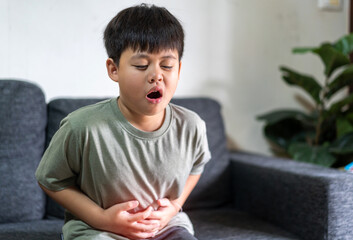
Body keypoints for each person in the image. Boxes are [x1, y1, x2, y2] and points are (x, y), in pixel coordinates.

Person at [35, 3, 211, 240]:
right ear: (114, 69)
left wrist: (174, 206)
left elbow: (196, 166)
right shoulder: (82, 126)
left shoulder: (192, 126)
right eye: (141, 65)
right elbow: (50, 179)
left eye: (167, 65)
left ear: (178, 69)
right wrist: (102, 218)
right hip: (100, 231)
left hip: (166, 228)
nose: (156, 75)